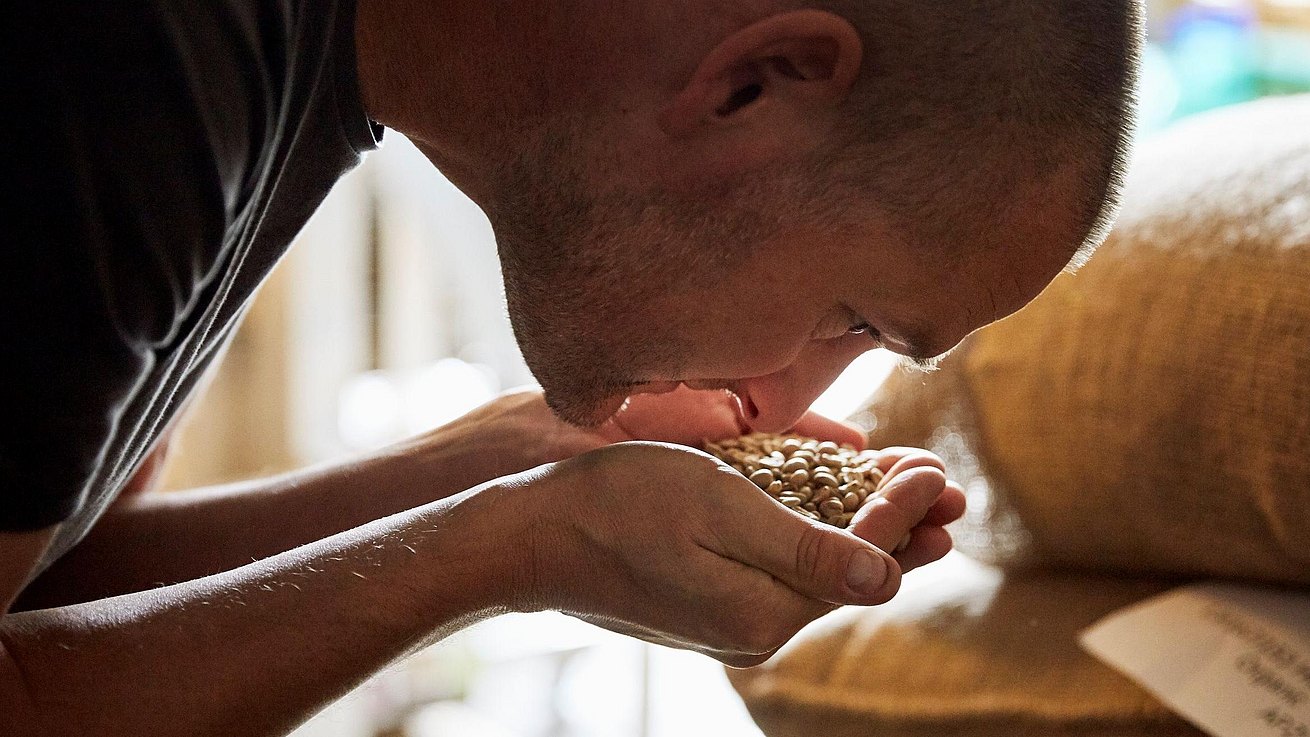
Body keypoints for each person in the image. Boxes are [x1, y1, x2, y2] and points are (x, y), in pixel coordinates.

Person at [1, 0, 1137, 733]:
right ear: (758, 80)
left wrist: (500, 464)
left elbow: (42, 593)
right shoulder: (121, 56)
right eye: (847, 318)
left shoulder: (295, 71)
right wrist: (517, 545)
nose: (779, 402)